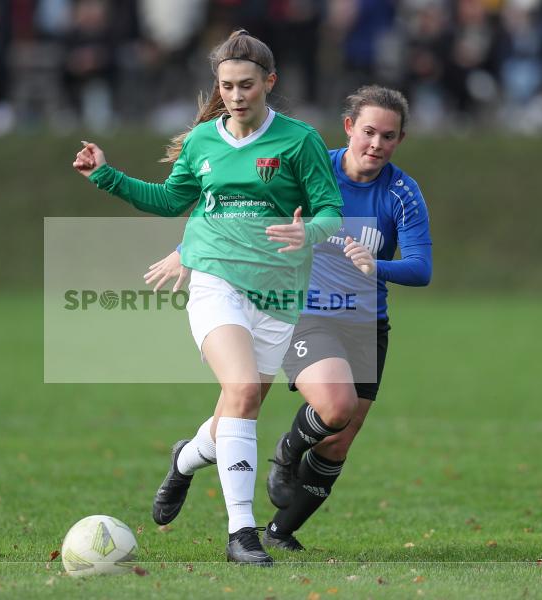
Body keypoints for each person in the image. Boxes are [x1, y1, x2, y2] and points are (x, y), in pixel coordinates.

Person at [73, 30, 343, 565]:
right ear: (217, 87)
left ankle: (186, 459)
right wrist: (105, 175)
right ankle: (241, 533)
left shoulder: (299, 140)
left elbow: (330, 210)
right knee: (241, 389)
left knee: (237, 412)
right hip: (215, 281)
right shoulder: (202, 143)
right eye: (227, 86)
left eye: (247, 85)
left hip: (279, 295)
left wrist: (307, 232)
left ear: (270, 82)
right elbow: (170, 198)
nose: (237, 95)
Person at [144, 85, 433, 552]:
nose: (376, 144)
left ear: (400, 140)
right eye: (368, 132)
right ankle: (285, 454)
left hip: (366, 323)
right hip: (303, 312)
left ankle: (277, 530)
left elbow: (421, 268)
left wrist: (375, 266)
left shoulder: (402, 193)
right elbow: (239, 213)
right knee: (333, 408)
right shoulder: (311, 165)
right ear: (348, 128)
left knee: (339, 438)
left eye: (389, 136)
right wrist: (185, 251)